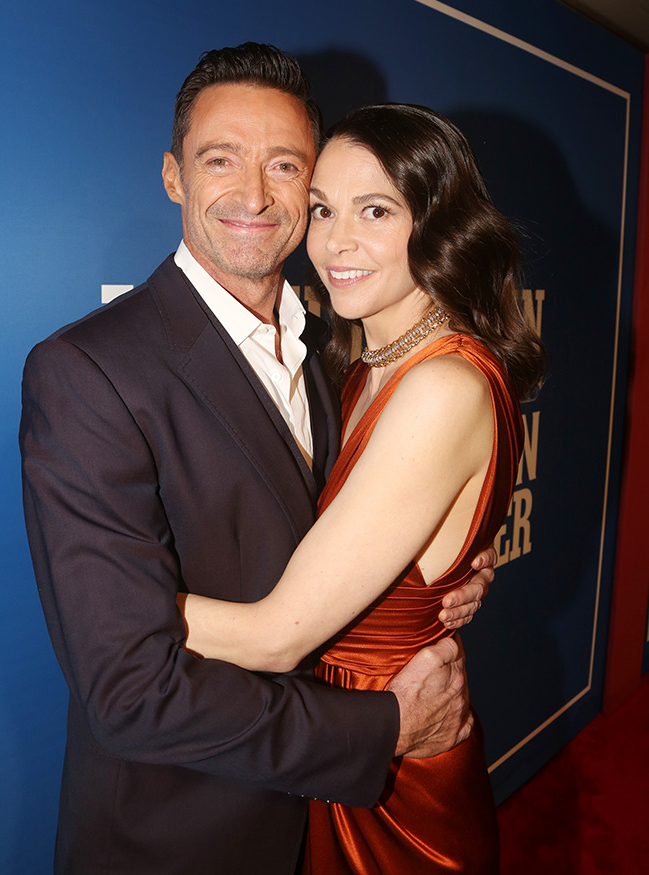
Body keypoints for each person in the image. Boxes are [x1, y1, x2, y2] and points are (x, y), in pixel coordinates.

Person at [19, 45, 495, 875]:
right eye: (220, 161)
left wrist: (436, 568)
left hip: (323, 826)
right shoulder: (85, 373)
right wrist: (386, 729)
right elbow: (129, 691)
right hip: (180, 838)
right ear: (174, 176)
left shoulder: (336, 358)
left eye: (284, 167)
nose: (254, 195)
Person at [181, 103, 546, 873]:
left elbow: (278, 632)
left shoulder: (440, 385)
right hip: (342, 731)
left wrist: (109, 611)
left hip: (395, 772)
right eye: (321, 209)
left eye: (375, 210)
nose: (334, 241)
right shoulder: (361, 367)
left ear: (439, 225)